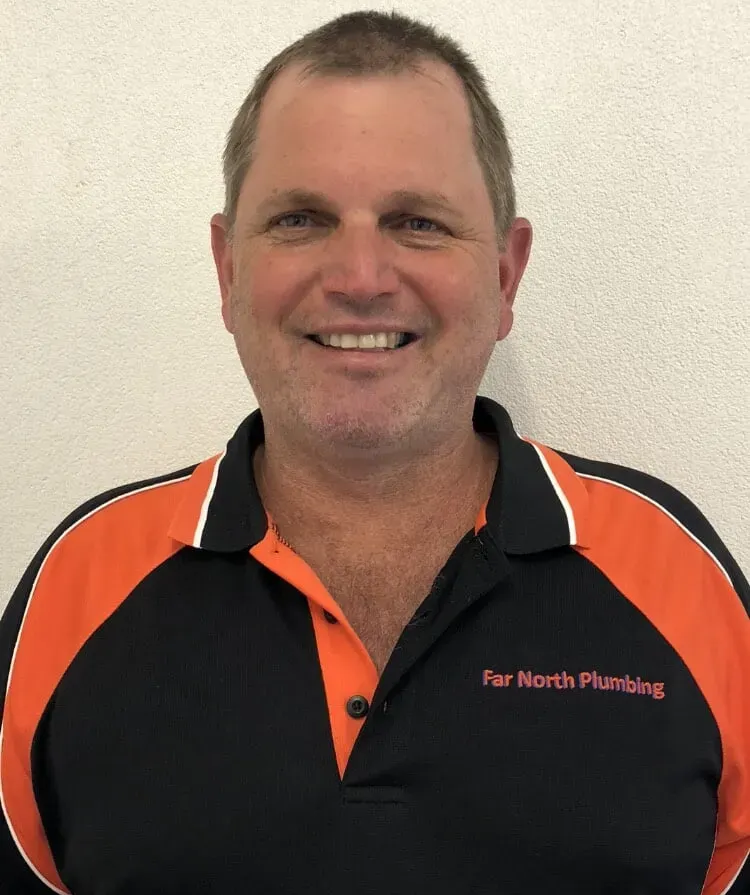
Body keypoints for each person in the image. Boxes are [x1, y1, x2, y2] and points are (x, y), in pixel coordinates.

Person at [1, 9, 748, 894]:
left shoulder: (676, 574)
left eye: (419, 222)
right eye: (301, 219)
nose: (360, 278)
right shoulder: (79, 583)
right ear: (227, 270)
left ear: (506, 275)